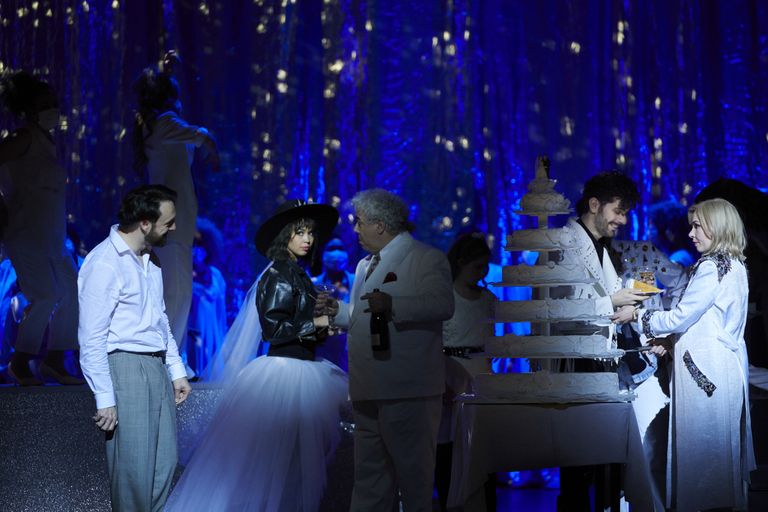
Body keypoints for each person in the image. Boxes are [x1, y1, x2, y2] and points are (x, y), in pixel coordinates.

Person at [166, 199, 348, 511]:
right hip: (285, 372)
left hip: (302, 367)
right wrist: (315, 324)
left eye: (311, 233)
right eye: (300, 232)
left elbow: (295, 323)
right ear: (285, 235)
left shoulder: (297, 274)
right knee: (272, 465)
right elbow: (274, 330)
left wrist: (321, 328)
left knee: (290, 466)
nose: (307, 239)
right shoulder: (278, 275)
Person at [621, 198, 755, 511]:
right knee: (715, 452)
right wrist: (670, 341)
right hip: (719, 368)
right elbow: (704, 320)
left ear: (717, 227)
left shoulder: (711, 267)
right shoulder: (733, 264)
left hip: (705, 371)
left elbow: (681, 316)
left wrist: (639, 316)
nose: (691, 234)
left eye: (697, 226)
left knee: (702, 454)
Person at [327, 188, 454, 511]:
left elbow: (442, 304)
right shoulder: (363, 266)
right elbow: (361, 315)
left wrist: (393, 304)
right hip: (367, 387)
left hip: (407, 389)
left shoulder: (426, 258)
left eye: (360, 222)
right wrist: (336, 311)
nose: (356, 230)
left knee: (414, 478)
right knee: (369, 477)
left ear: (380, 225)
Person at [78, 184, 191, 511]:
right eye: (168, 222)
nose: (173, 227)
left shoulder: (150, 259)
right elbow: (91, 338)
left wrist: (176, 369)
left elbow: (160, 318)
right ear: (145, 223)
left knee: (163, 466)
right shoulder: (104, 263)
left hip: (155, 366)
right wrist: (105, 398)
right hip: (126, 368)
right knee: (133, 474)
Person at [550, 171, 650, 511]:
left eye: (626, 213)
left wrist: (626, 302)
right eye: (618, 211)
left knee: (604, 456)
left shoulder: (603, 247)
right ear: (594, 204)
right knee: (577, 460)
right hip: (573, 364)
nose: (623, 220)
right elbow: (557, 309)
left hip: (600, 361)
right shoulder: (562, 243)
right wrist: (612, 302)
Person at [132, 51, 220, 377]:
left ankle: (171, 355)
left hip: (171, 221)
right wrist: (214, 153)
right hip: (170, 222)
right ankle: (170, 359)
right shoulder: (166, 123)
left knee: (175, 288)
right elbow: (202, 135)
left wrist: (165, 72)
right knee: (177, 289)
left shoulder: (157, 126)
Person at [0, 71, 81, 385]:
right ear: (29, 109)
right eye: (45, 104)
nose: (53, 109)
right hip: (27, 235)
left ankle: (55, 361)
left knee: (72, 293)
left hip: (52, 238)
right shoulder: (23, 138)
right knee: (45, 295)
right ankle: (19, 363)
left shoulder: (49, 143)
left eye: (54, 103)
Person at [435, 233, 497, 512]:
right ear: (460, 263)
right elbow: (434, 342)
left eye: (485, 267)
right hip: (450, 371)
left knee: (481, 447)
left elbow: (493, 341)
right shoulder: (444, 296)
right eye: (476, 266)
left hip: (481, 375)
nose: (482, 273)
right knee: (448, 446)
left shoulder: (488, 299)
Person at [187, 217, 227, 375]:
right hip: (191, 336)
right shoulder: (182, 274)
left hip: (212, 336)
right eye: (193, 245)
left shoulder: (215, 275)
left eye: (200, 245)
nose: (196, 250)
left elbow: (220, 312)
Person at [312, 235, 356, 371]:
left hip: (352, 353)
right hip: (323, 354)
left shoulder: (359, 280)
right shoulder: (312, 284)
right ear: (323, 253)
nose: (336, 253)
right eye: (331, 248)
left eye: (340, 248)